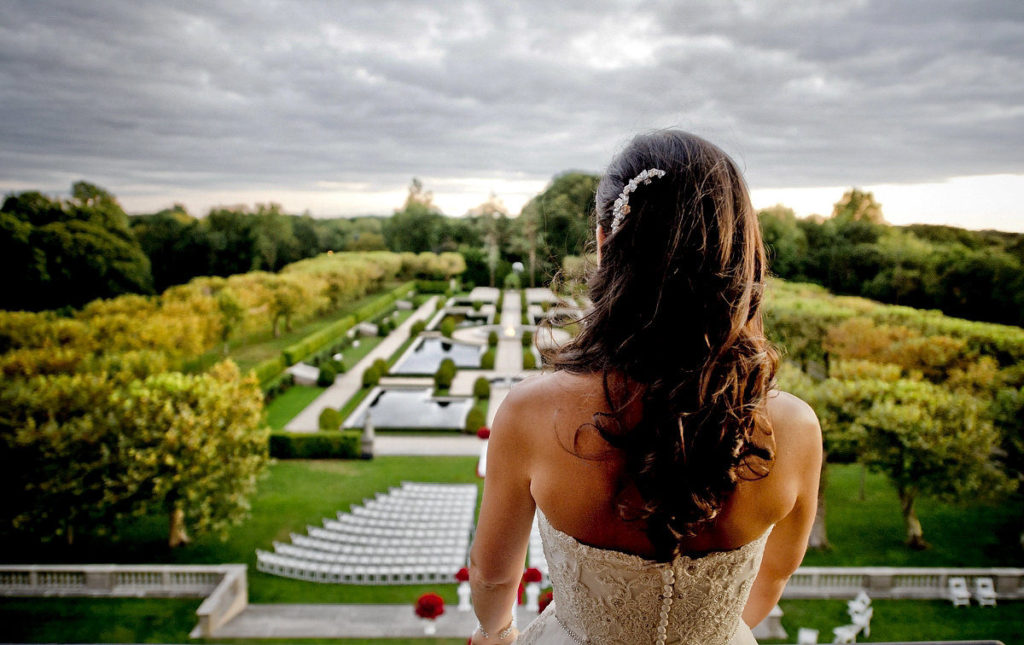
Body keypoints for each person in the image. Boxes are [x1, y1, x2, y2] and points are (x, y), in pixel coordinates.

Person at [468, 130, 823, 644]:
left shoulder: (531, 410)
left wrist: (496, 633)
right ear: (739, 252)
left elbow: (493, 576)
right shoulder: (794, 428)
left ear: (604, 242)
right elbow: (772, 577)